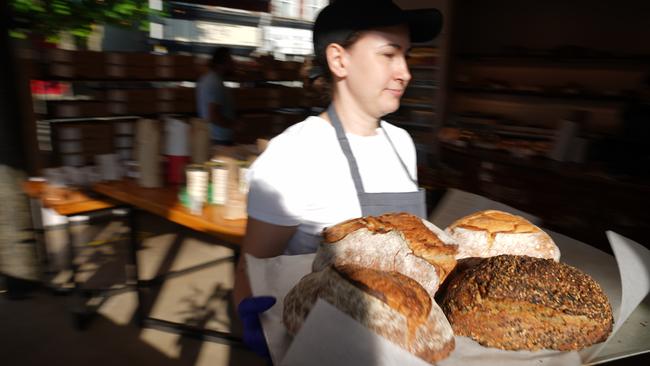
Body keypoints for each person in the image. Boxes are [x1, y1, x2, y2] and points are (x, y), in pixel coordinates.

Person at [234, 0, 443, 359]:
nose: (405, 72)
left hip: (405, 343)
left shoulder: (402, 144)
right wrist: (262, 336)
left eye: (406, 55)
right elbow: (251, 274)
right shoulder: (293, 155)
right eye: (389, 54)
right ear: (339, 60)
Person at [196, 47, 236, 145]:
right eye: (230, 61)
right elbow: (213, 115)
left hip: (213, 137)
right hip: (218, 140)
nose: (233, 64)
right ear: (222, 64)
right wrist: (234, 125)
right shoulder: (215, 83)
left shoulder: (207, 79)